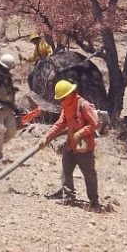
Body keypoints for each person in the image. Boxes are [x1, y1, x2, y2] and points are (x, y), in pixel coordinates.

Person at [41, 80, 100, 209]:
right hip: (70, 146)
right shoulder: (66, 107)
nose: (61, 101)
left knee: (89, 174)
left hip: (84, 148)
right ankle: (68, 198)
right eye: (60, 99)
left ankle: (94, 202)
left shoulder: (84, 105)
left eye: (63, 98)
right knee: (66, 171)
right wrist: (46, 138)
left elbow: (94, 123)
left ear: (70, 94)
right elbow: (60, 124)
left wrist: (80, 133)